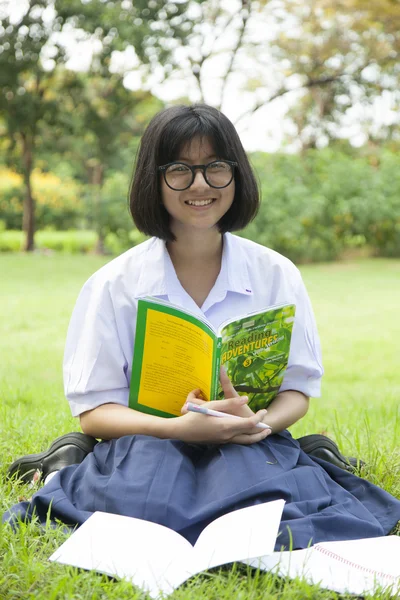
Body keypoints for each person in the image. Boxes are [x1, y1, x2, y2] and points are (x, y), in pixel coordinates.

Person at [3, 105, 400, 550]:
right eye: (179, 170)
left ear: (236, 174)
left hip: (247, 443)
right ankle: (71, 454)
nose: (200, 184)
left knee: (271, 514)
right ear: (153, 180)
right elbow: (95, 411)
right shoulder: (114, 284)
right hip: (152, 442)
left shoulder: (275, 273)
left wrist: (259, 424)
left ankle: (307, 455)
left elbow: (298, 390)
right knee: (148, 513)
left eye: (215, 168)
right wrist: (178, 430)